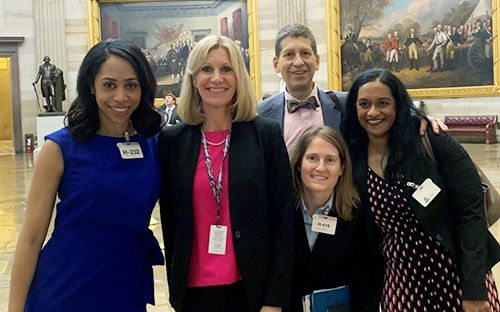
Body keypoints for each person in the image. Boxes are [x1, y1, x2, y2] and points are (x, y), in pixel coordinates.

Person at [9, 39, 164, 312]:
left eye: (131, 85)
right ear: (91, 86)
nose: (120, 97)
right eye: (109, 85)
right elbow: (31, 237)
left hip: (125, 286)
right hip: (65, 287)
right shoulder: (60, 148)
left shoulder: (152, 144)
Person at [343, 68, 500, 312]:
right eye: (364, 104)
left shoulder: (431, 141)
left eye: (383, 103)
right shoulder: (355, 159)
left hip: (455, 277)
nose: (373, 112)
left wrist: (474, 290)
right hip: (401, 285)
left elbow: (471, 214)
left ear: (398, 105)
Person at [159, 35, 294, 312]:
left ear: (238, 77)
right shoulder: (172, 141)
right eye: (207, 69)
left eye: (226, 69)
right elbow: (170, 221)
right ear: (194, 78)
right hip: (193, 292)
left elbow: (283, 220)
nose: (216, 78)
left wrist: (274, 299)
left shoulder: (264, 135)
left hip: (251, 290)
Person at [258, 24, 447, 153]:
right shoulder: (258, 114)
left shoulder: (345, 103)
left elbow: (382, 116)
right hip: (282, 211)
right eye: (289, 54)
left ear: (316, 61)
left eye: (305, 53)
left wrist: (422, 120)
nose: (298, 62)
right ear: (276, 64)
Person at [286, 125, 376, 312]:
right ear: (298, 163)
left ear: (342, 168)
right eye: (312, 158)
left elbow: (364, 281)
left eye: (330, 160)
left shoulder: (355, 212)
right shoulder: (281, 208)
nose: (320, 167)